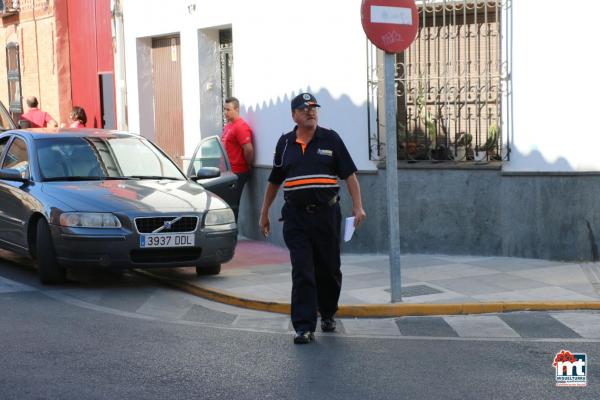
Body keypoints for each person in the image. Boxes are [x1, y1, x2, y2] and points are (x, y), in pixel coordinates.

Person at [259, 92, 366, 344]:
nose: (311, 112)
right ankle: (304, 326)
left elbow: (349, 175)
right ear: (294, 115)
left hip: (326, 215)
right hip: (296, 218)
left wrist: (358, 206)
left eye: (314, 108)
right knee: (303, 270)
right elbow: (274, 181)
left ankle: (328, 313)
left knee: (329, 269)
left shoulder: (331, 138)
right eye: (304, 109)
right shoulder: (285, 143)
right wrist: (264, 213)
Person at [222, 97, 254, 220]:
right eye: (224, 109)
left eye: (228, 109)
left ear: (237, 109)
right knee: (225, 204)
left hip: (237, 172)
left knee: (232, 205)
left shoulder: (241, 127)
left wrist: (248, 165)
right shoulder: (228, 126)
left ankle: (232, 235)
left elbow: (249, 149)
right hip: (227, 172)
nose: (225, 112)